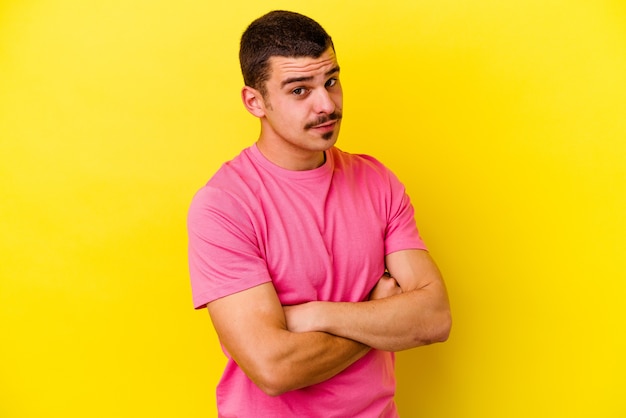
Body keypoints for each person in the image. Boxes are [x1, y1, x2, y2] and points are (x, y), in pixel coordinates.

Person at [187, 10, 451, 417]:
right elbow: (274, 367)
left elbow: (433, 318)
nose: (326, 104)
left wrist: (314, 315)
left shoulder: (376, 181)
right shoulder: (224, 206)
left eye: (331, 81)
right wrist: (379, 317)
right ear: (255, 101)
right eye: (299, 90)